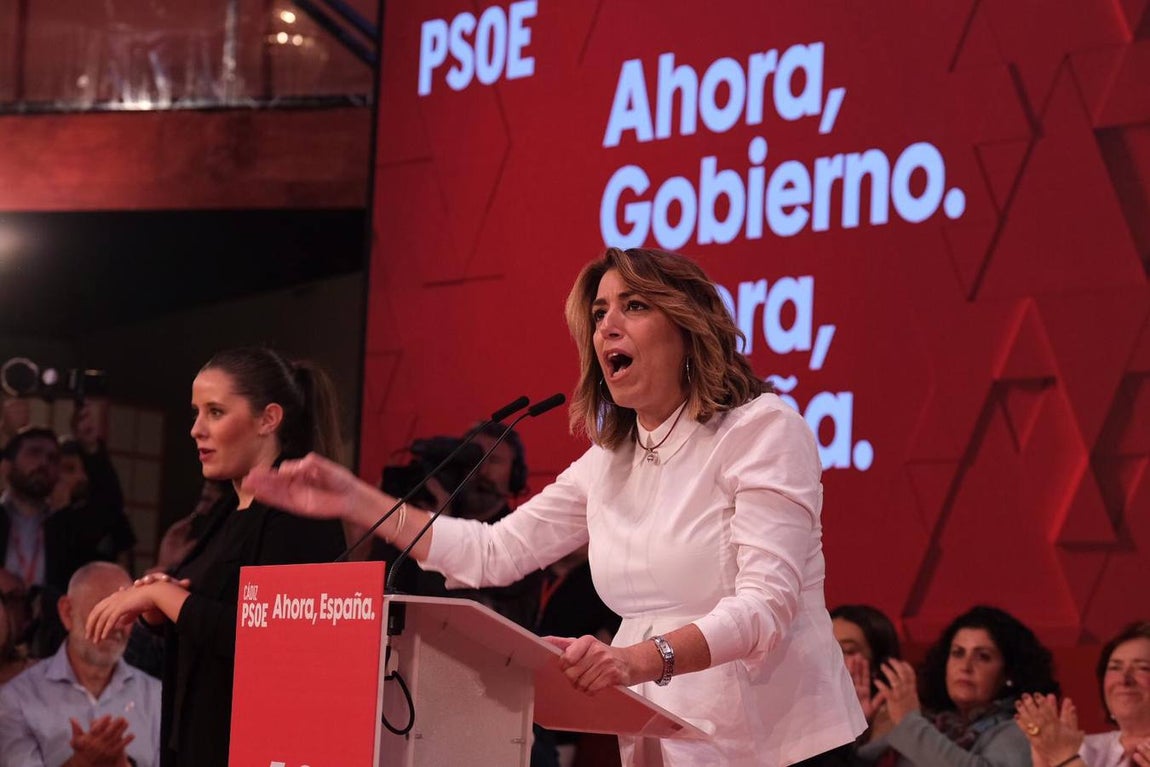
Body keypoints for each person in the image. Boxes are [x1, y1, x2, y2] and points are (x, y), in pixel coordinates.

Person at [247, 247, 867, 766]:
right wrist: (356, 501)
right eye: (599, 314)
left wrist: (634, 659)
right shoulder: (610, 459)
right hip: (669, 745)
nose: (607, 327)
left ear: (687, 325)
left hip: (782, 746)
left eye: (635, 306)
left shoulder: (761, 429)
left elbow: (767, 608)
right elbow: (494, 552)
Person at [83, 347, 347, 767]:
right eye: (196, 413)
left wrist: (168, 597)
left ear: (268, 419)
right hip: (195, 740)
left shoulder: (300, 514)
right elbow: (214, 621)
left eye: (216, 412)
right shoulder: (226, 510)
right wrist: (163, 614)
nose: (196, 430)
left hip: (255, 749)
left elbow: (276, 641)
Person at [0, 561, 161, 766]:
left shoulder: (156, 698)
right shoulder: (16, 699)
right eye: (104, 610)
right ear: (67, 612)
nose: (117, 625)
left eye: (127, 613)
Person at [857, 605, 1059, 766]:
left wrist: (909, 723)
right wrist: (860, 729)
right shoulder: (933, 722)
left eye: (983, 657)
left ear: (1008, 673)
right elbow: (859, 761)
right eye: (958, 653)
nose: (965, 666)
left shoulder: (1019, 730)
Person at [1015, 620, 1150, 767]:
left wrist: (1064, 756)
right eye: (1114, 668)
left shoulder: (1067, 750)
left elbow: (1064, 755)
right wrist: (1044, 757)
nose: (1124, 680)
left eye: (1143, 668)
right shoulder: (1085, 747)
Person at [831, 604, 903, 760]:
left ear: (877, 665)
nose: (830, 659)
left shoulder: (899, 730)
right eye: (826, 648)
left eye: (847, 650)